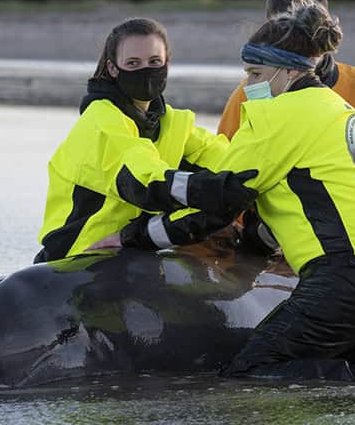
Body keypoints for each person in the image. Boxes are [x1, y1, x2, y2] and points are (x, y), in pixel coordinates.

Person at [114, 0, 355, 380]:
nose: (249, 86)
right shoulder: (338, 108)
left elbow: (219, 194)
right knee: (315, 354)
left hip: (349, 275)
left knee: (256, 370)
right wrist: (253, 248)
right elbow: (300, 208)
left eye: (255, 74)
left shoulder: (278, 115)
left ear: (288, 71)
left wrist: (136, 226)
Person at [35, 18, 258, 263]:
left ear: (167, 63)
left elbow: (232, 160)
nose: (146, 70)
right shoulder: (100, 122)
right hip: (78, 257)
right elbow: (144, 181)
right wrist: (219, 189)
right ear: (112, 68)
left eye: (154, 62)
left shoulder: (173, 124)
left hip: (130, 253)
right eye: (133, 63)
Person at [216, 0, 355, 200]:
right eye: (286, 32)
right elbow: (224, 170)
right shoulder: (250, 93)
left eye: (305, 31)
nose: (298, 43)